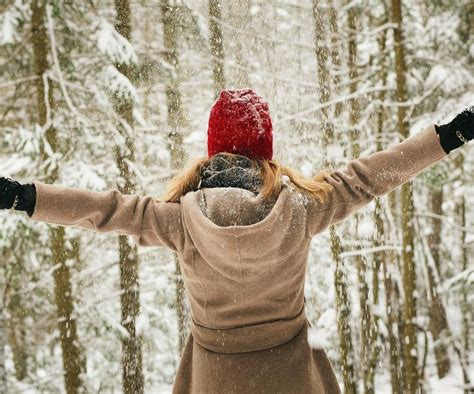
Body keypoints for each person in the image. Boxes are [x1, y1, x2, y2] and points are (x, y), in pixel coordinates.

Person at [0, 88, 473, 393]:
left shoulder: (179, 220)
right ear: (266, 151)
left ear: (213, 150)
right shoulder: (303, 209)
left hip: (214, 380)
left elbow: (103, 210)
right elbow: (371, 176)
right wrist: (450, 135)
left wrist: (24, 196)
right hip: (290, 380)